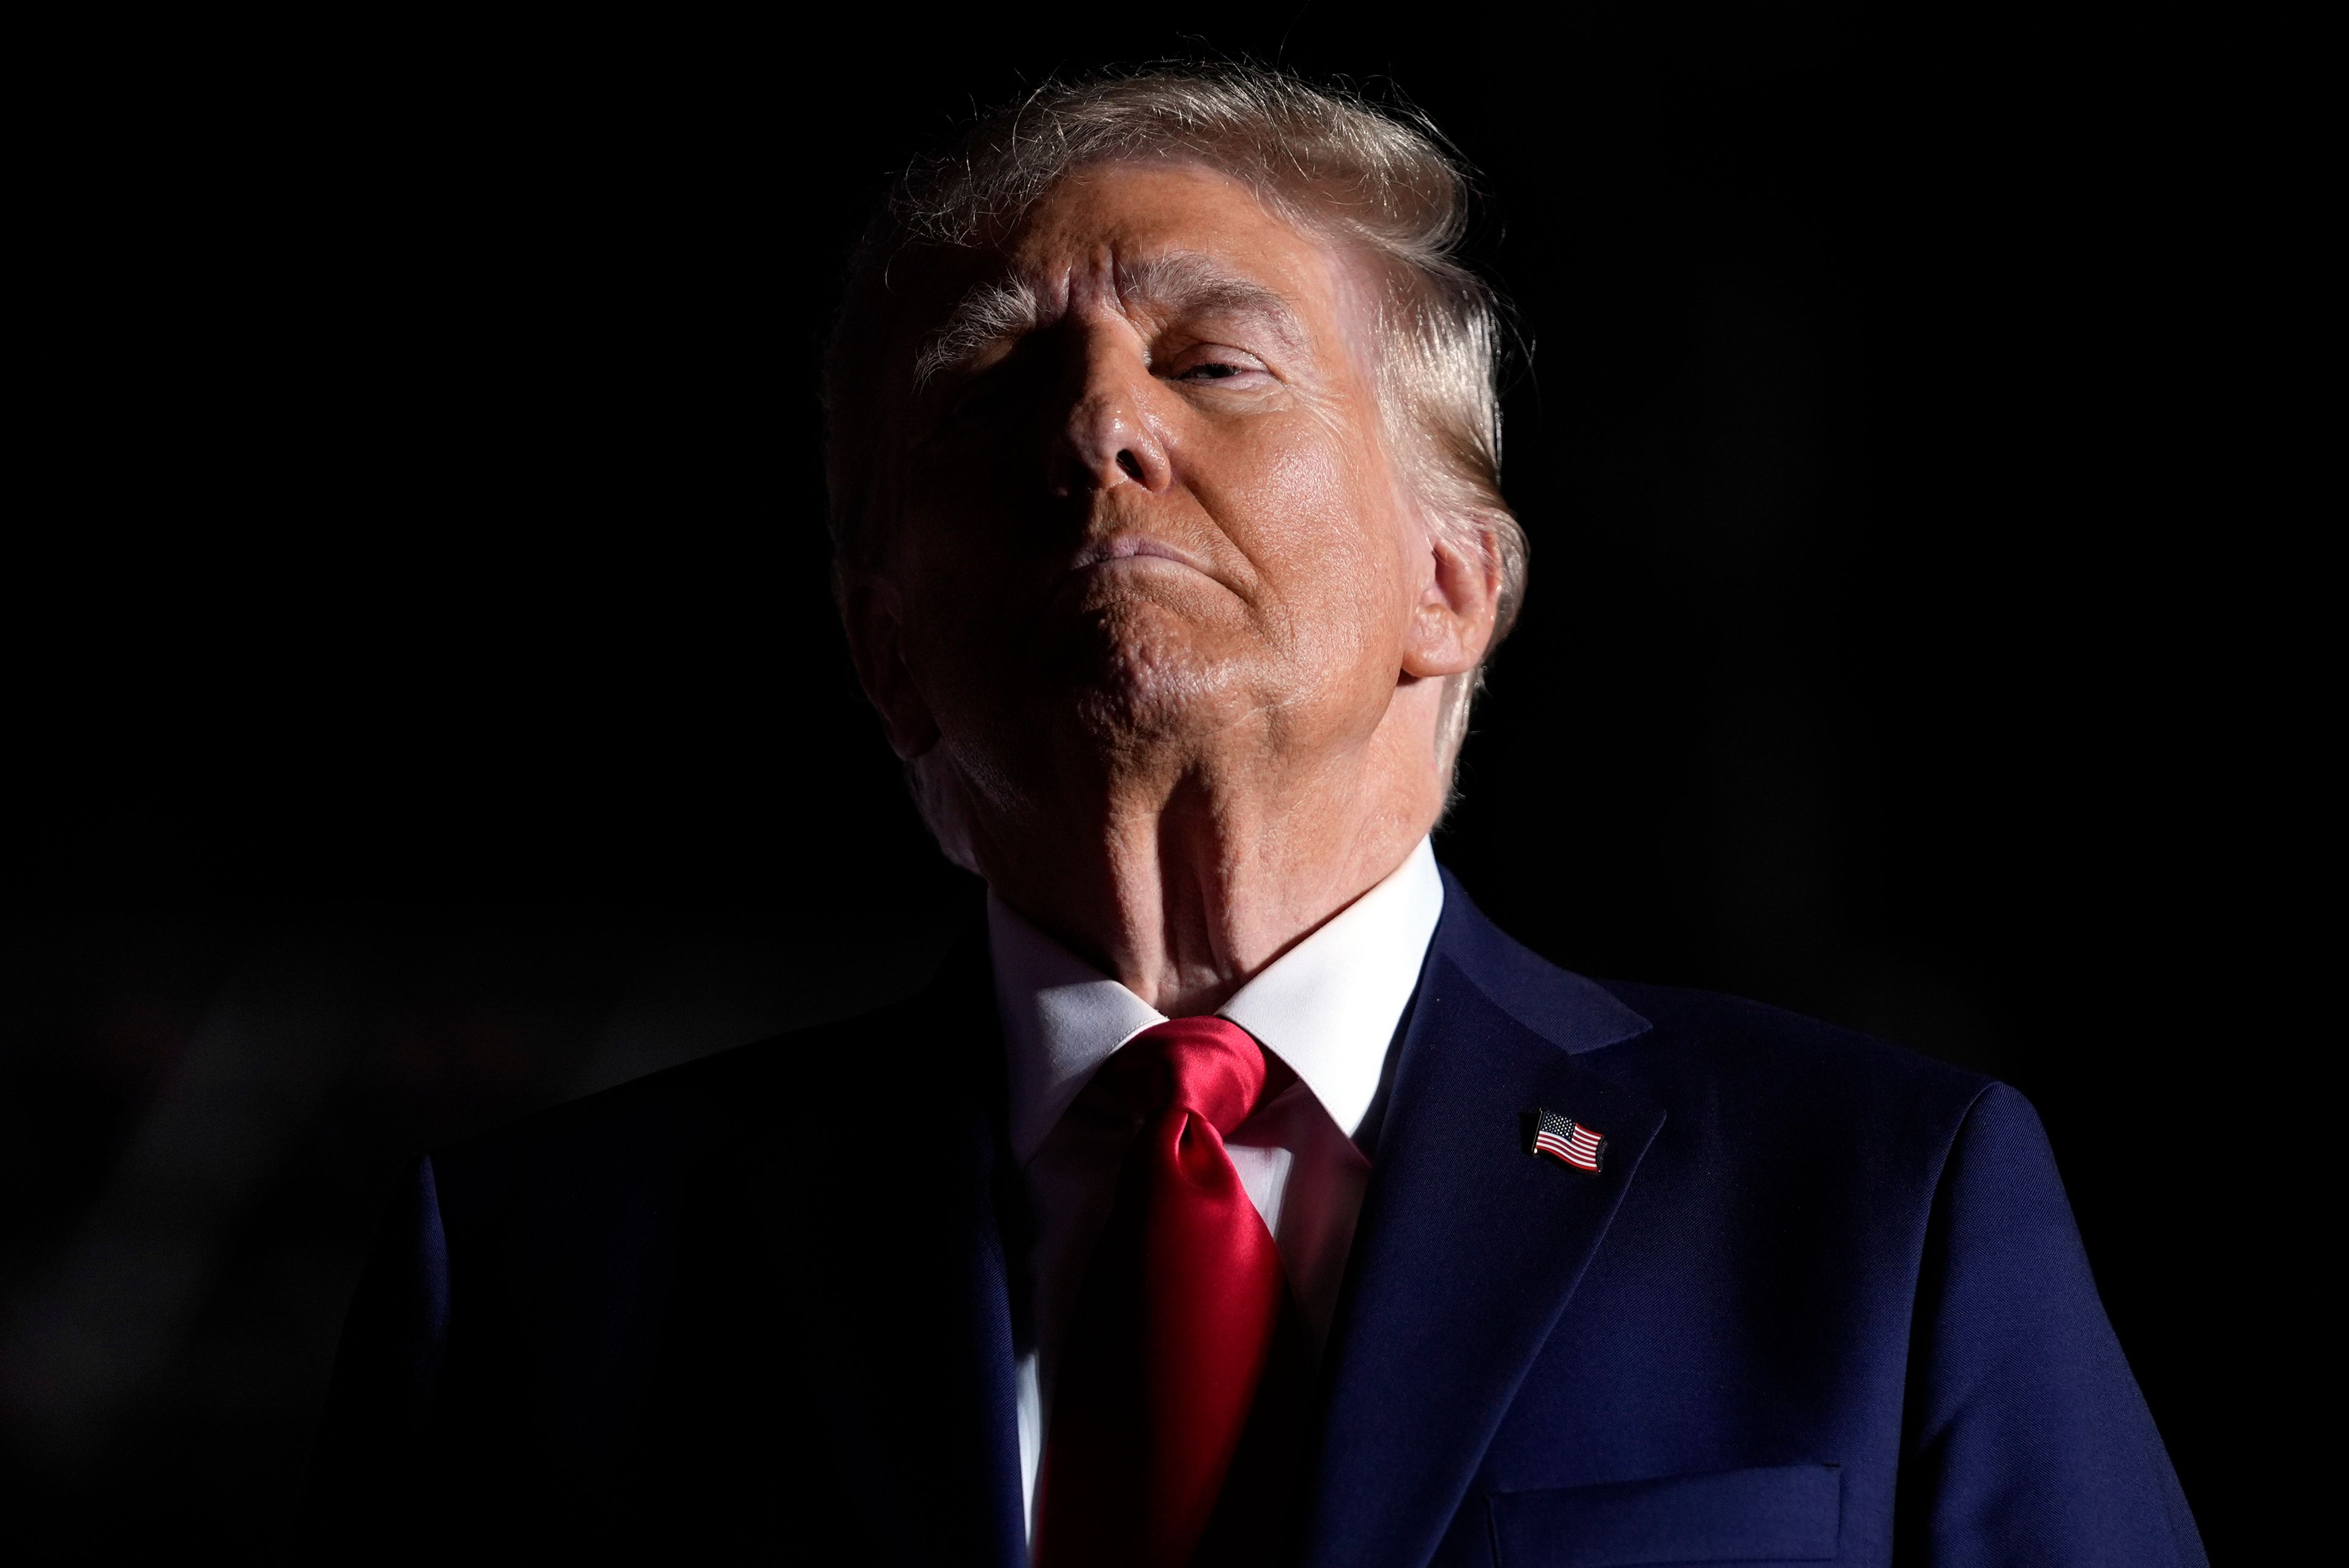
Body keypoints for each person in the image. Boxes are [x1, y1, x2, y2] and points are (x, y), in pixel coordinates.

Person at [304, 66, 2203, 1567]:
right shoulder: (550, 1276)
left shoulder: (1881, 1205)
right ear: (887, 655)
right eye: (989, 390)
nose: (1096, 430)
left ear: (1450, 582)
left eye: (1213, 362)